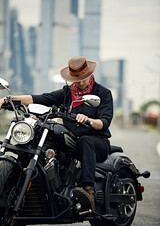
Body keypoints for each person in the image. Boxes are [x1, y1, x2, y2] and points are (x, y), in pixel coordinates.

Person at [0, 56, 113, 211]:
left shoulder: (103, 93)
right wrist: (10, 99)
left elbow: (104, 123)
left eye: (83, 78)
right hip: (73, 141)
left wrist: (89, 120)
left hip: (97, 141)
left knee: (86, 140)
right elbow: (39, 98)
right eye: (76, 79)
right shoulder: (66, 93)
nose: (79, 82)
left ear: (89, 75)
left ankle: (88, 190)